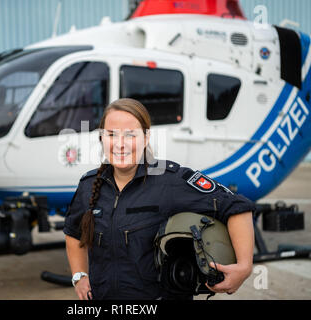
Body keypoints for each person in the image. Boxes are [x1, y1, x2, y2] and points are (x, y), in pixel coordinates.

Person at [63, 98, 255, 300]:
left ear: (146, 138)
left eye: (130, 135)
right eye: (111, 134)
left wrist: (244, 267)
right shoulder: (89, 185)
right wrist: (80, 276)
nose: (120, 144)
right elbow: (74, 233)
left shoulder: (172, 181)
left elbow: (236, 206)